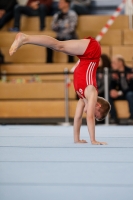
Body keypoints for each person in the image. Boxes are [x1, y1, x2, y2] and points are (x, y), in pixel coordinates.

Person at [9, 32, 111, 145]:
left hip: (85, 57)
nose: (91, 114)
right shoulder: (92, 92)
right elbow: (90, 117)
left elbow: (77, 118)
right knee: (59, 45)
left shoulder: (83, 98)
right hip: (92, 51)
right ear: (97, 105)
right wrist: (93, 140)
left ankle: (26, 39)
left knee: (58, 47)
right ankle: (25, 38)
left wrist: (76, 139)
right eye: (97, 114)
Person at [109, 55, 133, 124]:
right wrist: (112, 90)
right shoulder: (114, 73)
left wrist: (119, 93)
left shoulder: (130, 71)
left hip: (128, 93)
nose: (112, 65)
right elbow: (112, 85)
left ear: (120, 63)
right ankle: (113, 118)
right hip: (120, 93)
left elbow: (131, 87)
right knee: (108, 95)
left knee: (130, 94)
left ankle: (132, 117)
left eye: (114, 62)